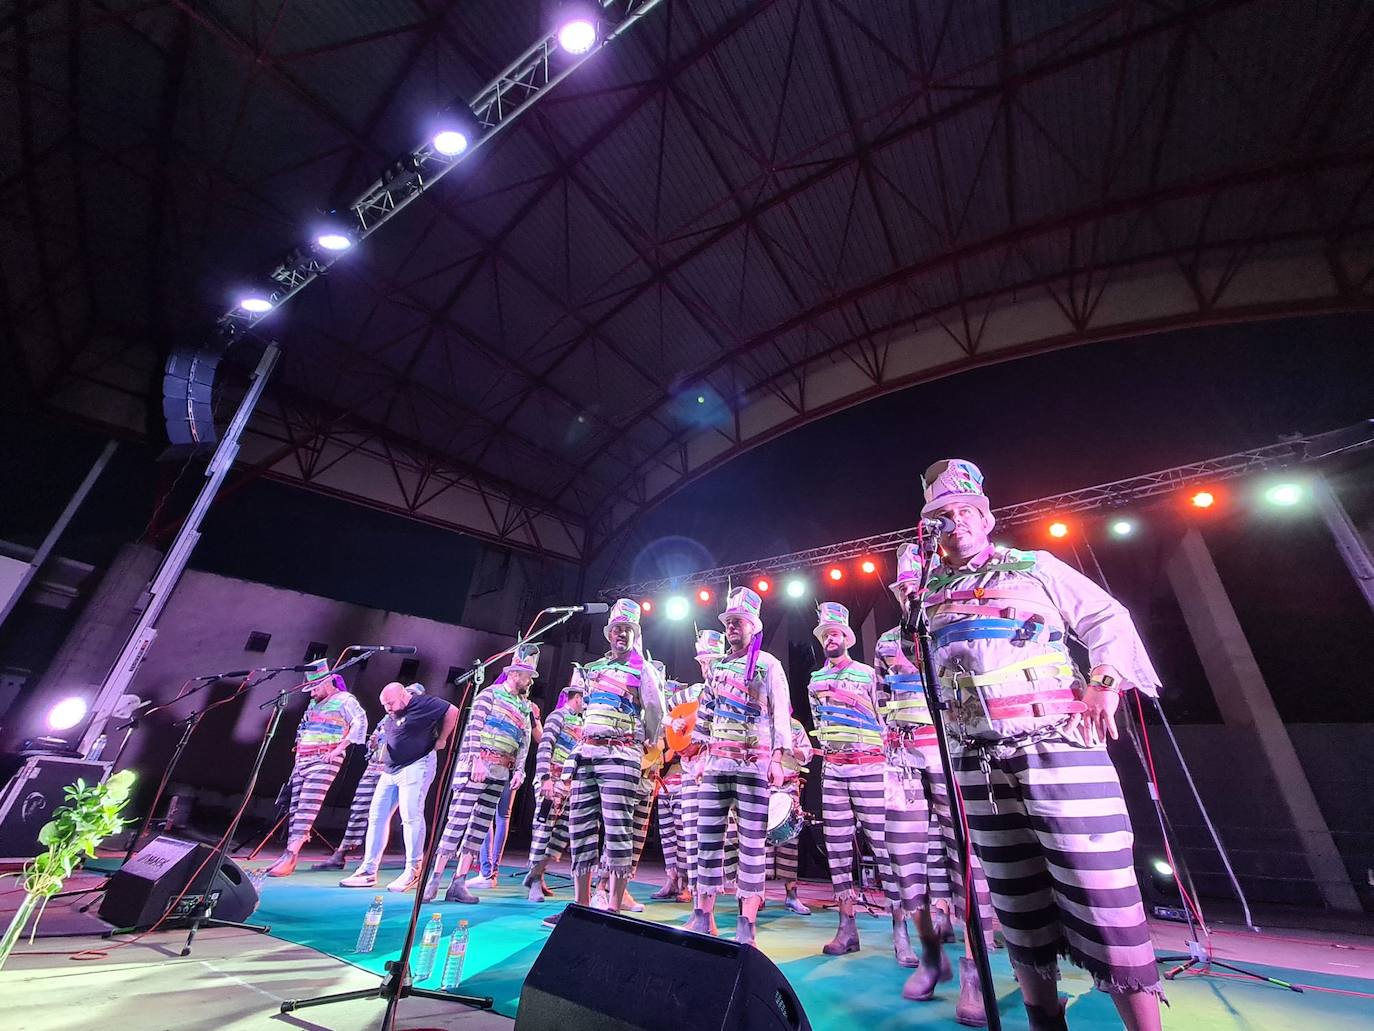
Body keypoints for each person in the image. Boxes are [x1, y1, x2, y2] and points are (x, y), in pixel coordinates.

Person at [920, 459, 1163, 1031]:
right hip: (978, 765)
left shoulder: (1035, 567)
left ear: (986, 519)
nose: (955, 524)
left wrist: (1105, 684)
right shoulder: (925, 598)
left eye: (965, 513)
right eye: (941, 516)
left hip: (1059, 746)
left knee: (1103, 896)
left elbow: (1108, 617)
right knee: (1015, 900)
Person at [876, 548, 997, 1027]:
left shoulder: (953, 626)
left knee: (965, 862)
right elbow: (881, 698)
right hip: (901, 763)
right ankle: (931, 957)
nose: (910, 595)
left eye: (916, 588)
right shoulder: (887, 641)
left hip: (952, 755)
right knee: (904, 862)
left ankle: (972, 970)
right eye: (903, 590)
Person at [545, 599, 664, 928]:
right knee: (579, 828)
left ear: (635, 634)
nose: (621, 634)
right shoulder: (593, 669)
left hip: (621, 755)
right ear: (608, 633)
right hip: (588, 754)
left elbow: (656, 713)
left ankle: (613, 906)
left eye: (628, 629)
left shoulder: (643, 669)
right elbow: (584, 712)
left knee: (617, 830)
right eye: (617, 629)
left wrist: (642, 745)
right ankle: (580, 904)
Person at [684, 586, 791, 946]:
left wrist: (777, 757)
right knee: (708, 839)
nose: (731, 627)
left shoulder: (768, 664)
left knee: (751, 844)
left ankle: (746, 921)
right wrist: (700, 755)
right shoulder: (718, 669)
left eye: (738, 622)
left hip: (753, 763)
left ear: (752, 626)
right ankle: (703, 915)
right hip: (717, 764)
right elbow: (706, 713)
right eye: (728, 622)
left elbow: (780, 712)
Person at [806, 602, 904, 959]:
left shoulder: (867, 674)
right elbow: (819, 722)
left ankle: (901, 931)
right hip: (834, 769)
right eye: (826, 635)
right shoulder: (815, 681)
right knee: (837, 849)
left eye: (836, 633)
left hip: (870, 766)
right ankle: (847, 927)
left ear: (846, 637)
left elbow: (884, 717)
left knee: (883, 846)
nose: (831, 639)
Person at [423, 644, 537, 903]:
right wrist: (475, 759)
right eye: (527, 675)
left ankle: (459, 882)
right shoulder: (490, 694)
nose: (529, 681)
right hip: (477, 767)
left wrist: (519, 769)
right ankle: (435, 878)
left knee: (479, 826)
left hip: (500, 772)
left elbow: (525, 739)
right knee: (458, 821)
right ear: (515, 674)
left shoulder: (524, 706)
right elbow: (474, 727)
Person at [340, 681, 457, 891]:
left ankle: (413, 870)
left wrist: (442, 739)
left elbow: (453, 710)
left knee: (410, 817)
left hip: (416, 764)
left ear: (403, 696)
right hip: (391, 769)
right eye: (384, 705)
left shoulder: (424, 704)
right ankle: (368, 870)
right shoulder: (392, 712)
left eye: (391, 703)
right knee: (376, 816)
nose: (388, 709)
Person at [264, 660, 367, 877]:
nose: (312, 694)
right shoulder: (315, 704)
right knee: (294, 808)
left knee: (307, 809)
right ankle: (287, 854)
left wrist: (339, 749)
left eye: (315, 688)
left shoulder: (344, 700)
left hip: (324, 759)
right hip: (303, 759)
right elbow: (304, 728)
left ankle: (291, 856)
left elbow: (360, 722)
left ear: (328, 682)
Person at [311, 682, 426, 872]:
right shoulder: (387, 715)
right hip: (374, 768)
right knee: (359, 808)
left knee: (402, 816)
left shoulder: (416, 717)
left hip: (397, 771)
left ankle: (411, 862)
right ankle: (342, 853)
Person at [523, 672, 587, 902]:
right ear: (577, 697)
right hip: (553, 780)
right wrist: (545, 778)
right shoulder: (557, 716)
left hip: (571, 785)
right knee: (543, 830)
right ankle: (534, 880)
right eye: (584, 698)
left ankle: (537, 875)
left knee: (559, 835)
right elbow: (544, 746)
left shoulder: (583, 722)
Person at [673, 629, 725, 909]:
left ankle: (713, 900)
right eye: (704, 662)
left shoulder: (729, 688)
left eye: (713, 661)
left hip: (718, 771)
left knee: (714, 836)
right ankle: (696, 896)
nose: (707, 667)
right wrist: (676, 725)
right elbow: (665, 716)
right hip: (691, 771)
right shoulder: (692, 692)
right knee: (691, 834)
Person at [469, 698, 542, 890]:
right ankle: (490, 870)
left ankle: (487, 871)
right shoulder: (527, 706)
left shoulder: (510, 702)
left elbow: (535, 738)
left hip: (500, 765)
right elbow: (536, 738)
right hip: (509, 765)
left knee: (487, 814)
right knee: (499, 816)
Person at [763, 713, 814, 915]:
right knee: (761, 842)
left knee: (790, 842)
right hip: (764, 786)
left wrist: (793, 749)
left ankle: (791, 896)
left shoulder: (795, 726)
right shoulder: (761, 722)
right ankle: (759, 895)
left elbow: (807, 755)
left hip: (790, 787)